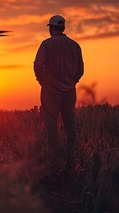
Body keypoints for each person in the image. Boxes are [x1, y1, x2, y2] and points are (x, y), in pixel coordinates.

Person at [33, 15, 84, 164]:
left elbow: (38, 65)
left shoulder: (47, 44)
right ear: (63, 28)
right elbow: (81, 69)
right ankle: (71, 156)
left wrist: (43, 81)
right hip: (69, 90)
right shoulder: (75, 45)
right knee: (70, 124)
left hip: (50, 90)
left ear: (51, 29)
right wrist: (72, 81)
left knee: (51, 125)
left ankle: (54, 159)